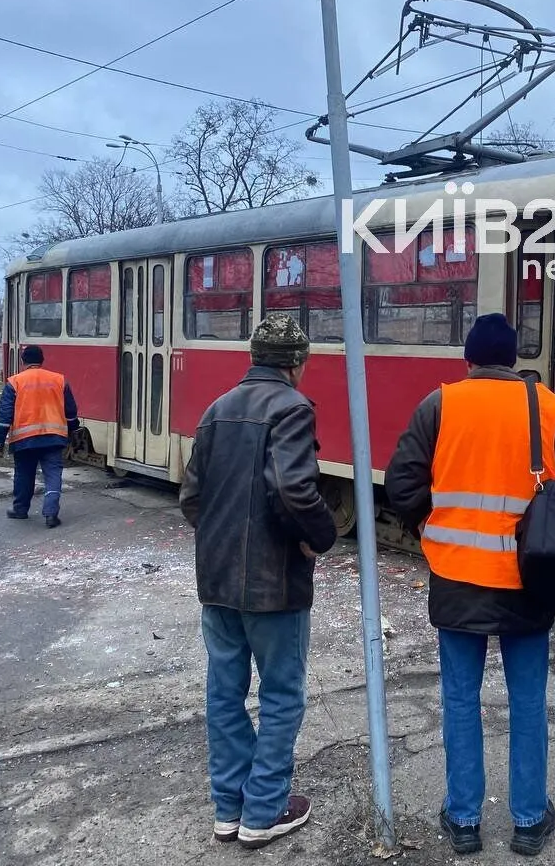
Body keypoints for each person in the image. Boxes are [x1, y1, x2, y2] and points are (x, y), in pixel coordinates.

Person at [385, 313, 555, 858]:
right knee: (528, 701)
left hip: (456, 577)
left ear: (470, 359)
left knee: (460, 699)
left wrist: (429, 529)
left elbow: (401, 482)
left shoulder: (441, 404)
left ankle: (464, 821)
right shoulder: (550, 408)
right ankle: (527, 822)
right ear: (514, 359)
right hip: (530, 580)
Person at [179, 315, 338, 850]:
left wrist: (223, 539)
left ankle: (229, 808)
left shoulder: (216, 409)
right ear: (296, 362)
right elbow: (293, 486)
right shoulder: (292, 409)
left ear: (254, 356)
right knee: (281, 697)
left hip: (217, 580)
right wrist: (320, 536)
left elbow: (191, 500)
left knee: (224, 694)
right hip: (275, 584)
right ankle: (264, 809)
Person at [0, 345, 79, 528]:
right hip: (54, 437)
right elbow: (70, 411)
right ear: (42, 361)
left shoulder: (15, 382)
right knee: (53, 474)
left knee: (24, 474)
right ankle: (51, 514)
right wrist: (72, 430)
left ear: (23, 362)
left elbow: (4, 414)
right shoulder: (59, 380)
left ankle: (20, 510)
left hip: (25, 439)